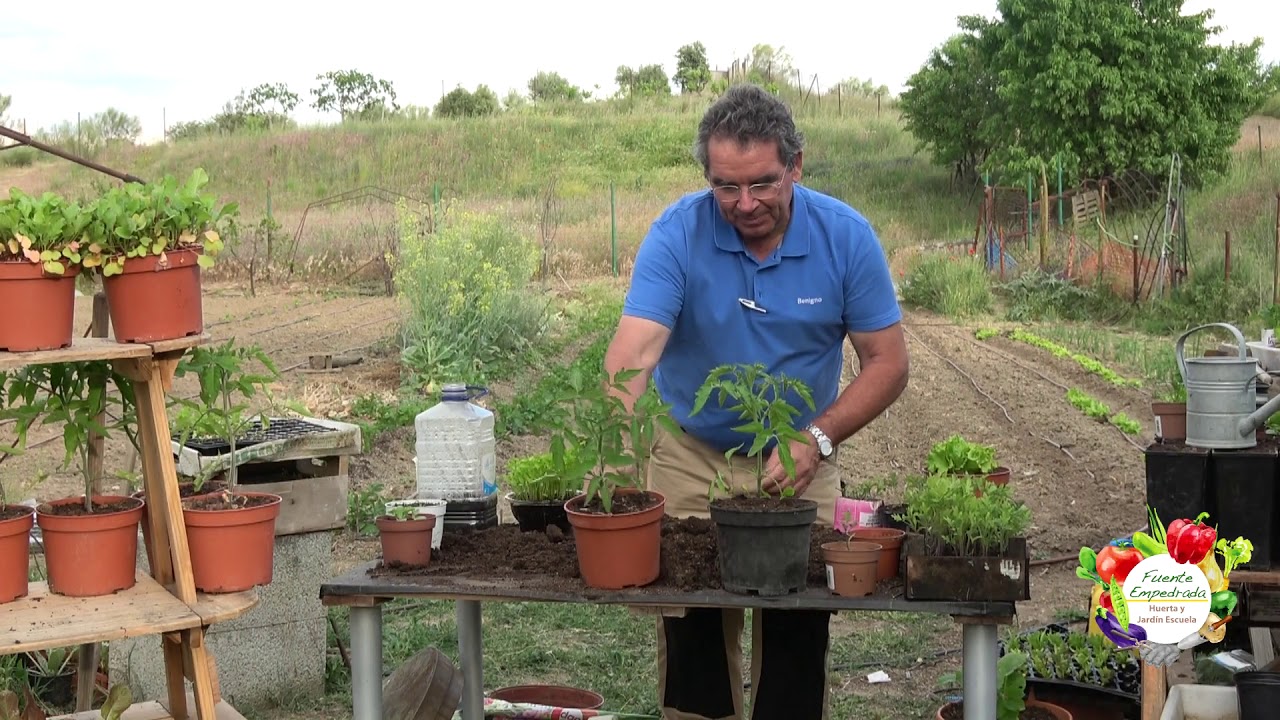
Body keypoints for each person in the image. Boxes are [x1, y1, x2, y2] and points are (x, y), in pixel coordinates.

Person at [601, 82, 911, 720]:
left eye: (763, 183)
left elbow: (889, 363)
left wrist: (816, 439)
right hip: (691, 455)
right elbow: (635, 351)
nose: (744, 204)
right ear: (707, 178)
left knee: (798, 631)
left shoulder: (845, 237)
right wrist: (616, 456)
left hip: (799, 456)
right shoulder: (678, 233)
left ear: (796, 164)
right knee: (693, 642)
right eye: (726, 187)